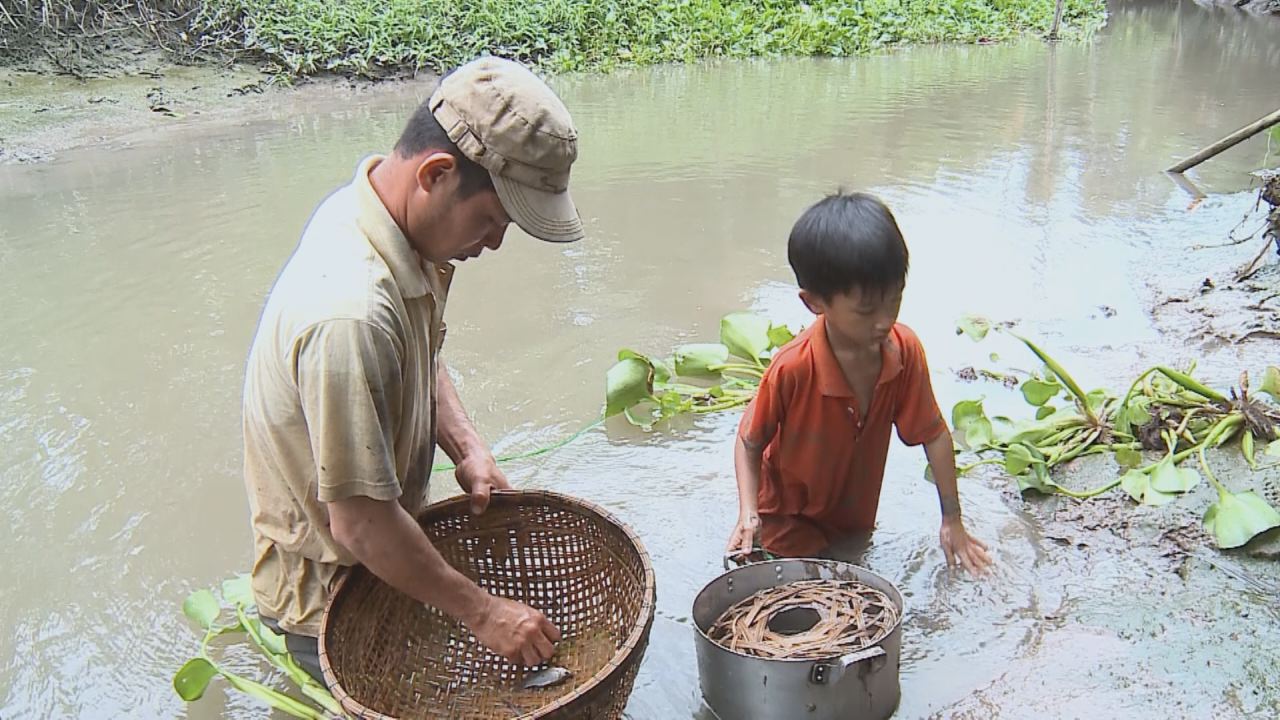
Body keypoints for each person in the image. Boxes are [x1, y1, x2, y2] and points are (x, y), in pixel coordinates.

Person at [241, 56, 583, 684]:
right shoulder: (348, 314)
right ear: (436, 174)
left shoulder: (381, 215)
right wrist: (484, 614)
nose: (495, 243)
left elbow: (417, 350)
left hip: (383, 558)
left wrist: (468, 447)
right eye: (492, 219)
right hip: (333, 597)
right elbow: (363, 524)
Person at [726, 192, 993, 575]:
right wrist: (748, 514)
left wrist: (952, 519)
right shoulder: (793, 368)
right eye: (867, 310)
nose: (884, 321)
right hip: (785, 523)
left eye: (894, 300)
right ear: (814, 303)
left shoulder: (904, 353)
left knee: (854, 601)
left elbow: (934, 435)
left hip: (853, 519)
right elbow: (749, 442)